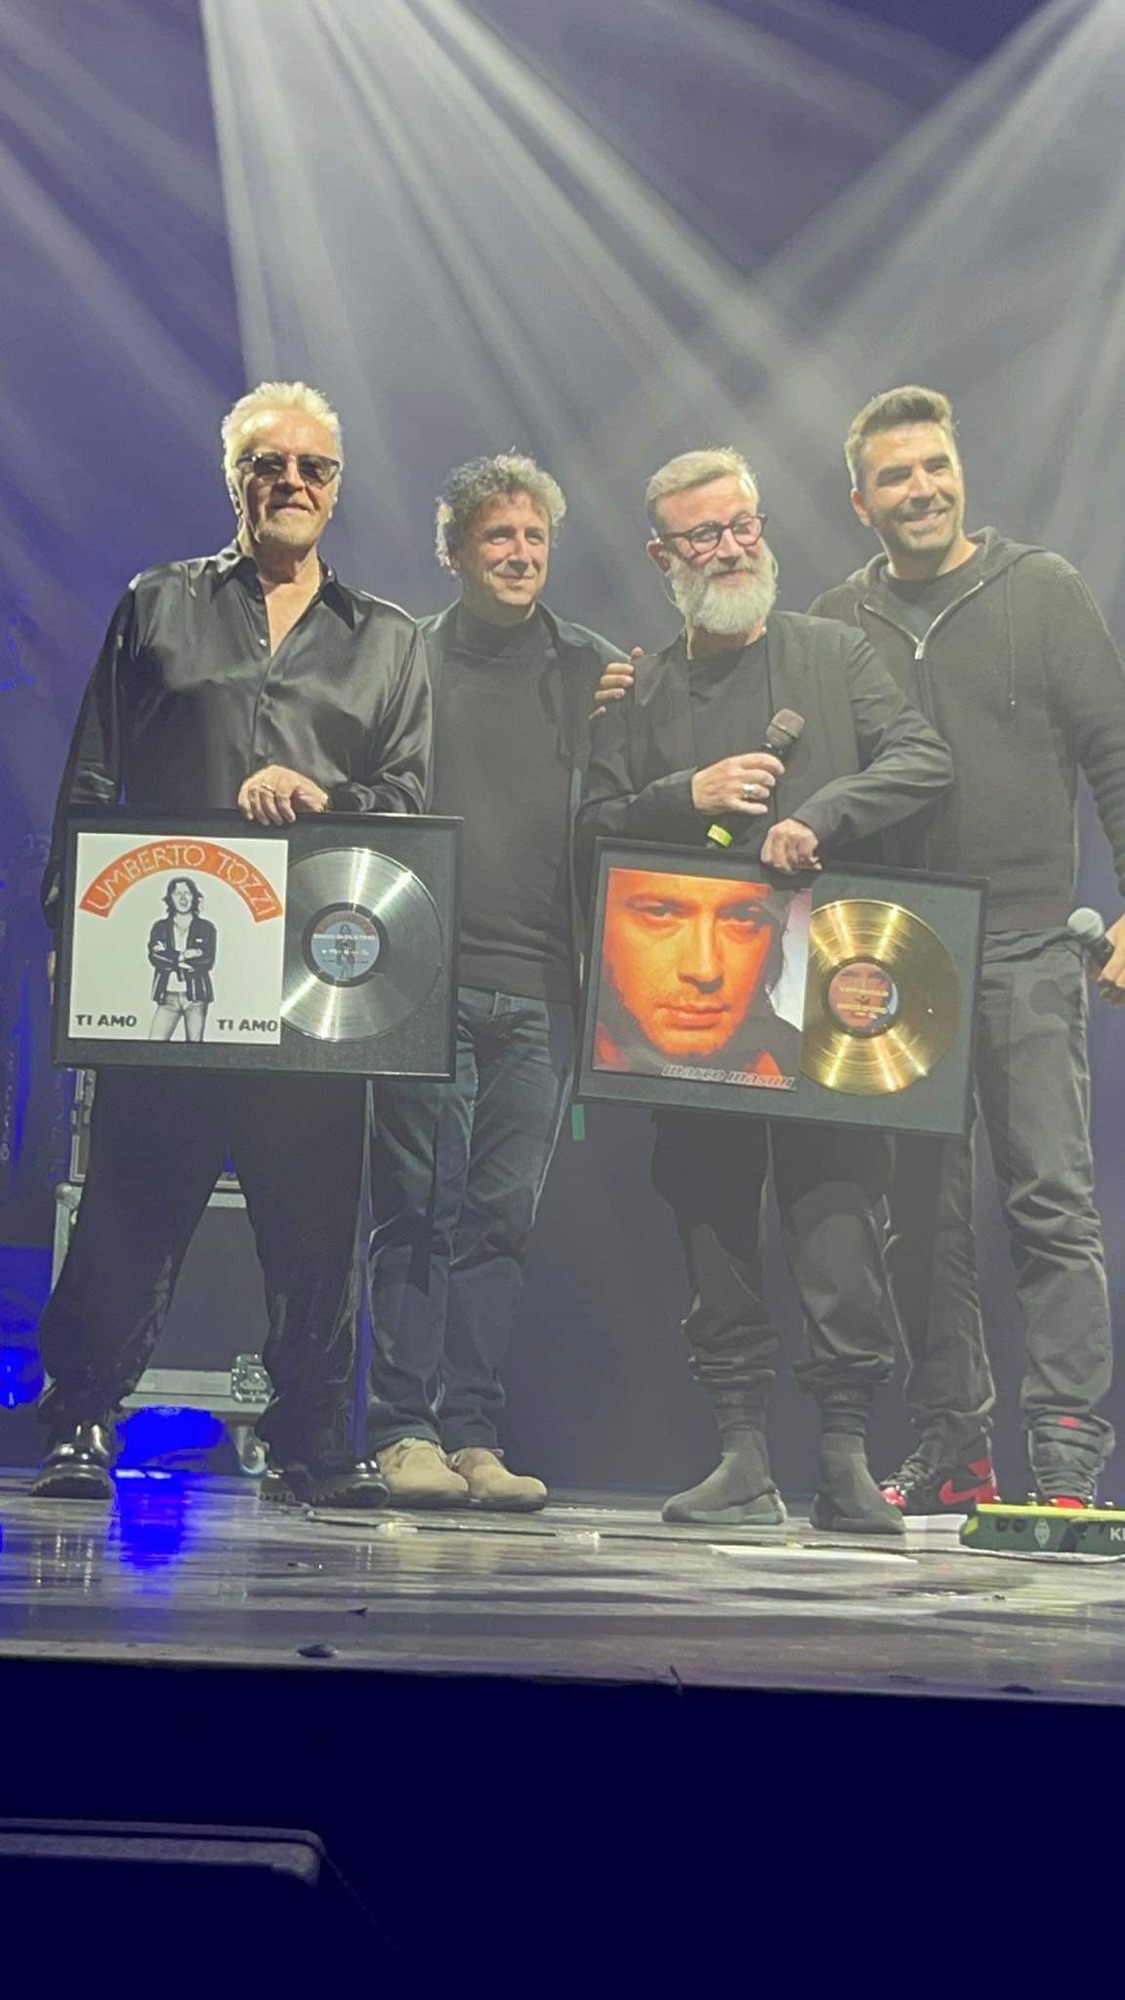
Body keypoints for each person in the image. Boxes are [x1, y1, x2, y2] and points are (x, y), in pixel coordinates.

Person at [34, 379, 431, 1505]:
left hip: (316, 977)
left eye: (313, 467)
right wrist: (70, 924)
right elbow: (94, 772)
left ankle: (311, 1438)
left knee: (313, 1217)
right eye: (269, 463)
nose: (291, 482)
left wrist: (326, 794)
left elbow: (411, 795)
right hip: (167, 968)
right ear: (236, 480)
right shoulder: (156, 603)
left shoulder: (388, 637)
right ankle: (82, 1418)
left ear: (336, 489)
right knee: (130, 1195)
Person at [579, 446, 952, 1532]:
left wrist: (820, 814)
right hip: (690, 998)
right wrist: (684, 793)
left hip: (830, 985)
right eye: (705, 533)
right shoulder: (640, 689)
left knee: (839, 1212)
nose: (733, 546)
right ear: (663, 556)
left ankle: (844, 1456)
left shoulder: (833, 652)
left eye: (744, 523)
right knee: (708, 1209)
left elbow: (923, 758)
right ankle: (741, 1457)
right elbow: (593, 825)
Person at [807, 383, 1125, 1511]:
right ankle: (953, 1447)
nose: (921, 489)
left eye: (934, 466)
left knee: (1050, 1198)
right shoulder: (836, 618)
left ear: (961, 473)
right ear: (861, 502)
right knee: (918, 1223)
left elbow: (1114, 749)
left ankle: (1069, 1457)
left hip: (1030, 939)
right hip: (895, 956)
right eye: (894, 475)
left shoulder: (1040, 588)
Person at [366, 454, 624, 1512]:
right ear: (455, 551)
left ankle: (472, 1430)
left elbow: (623, 806)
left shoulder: (592, 667)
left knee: (500, 1218)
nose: (519, 555)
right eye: (497, 537)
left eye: (534, 538)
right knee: (416, 1208)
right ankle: (401, 1426)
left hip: (545, 987)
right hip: (427, 976)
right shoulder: (408, 658)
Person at [595, 866, 802, 1081]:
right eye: (659, 913)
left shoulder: (803, 1067)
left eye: (741, 917)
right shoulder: (576, 1052)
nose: (706, 970)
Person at [148, 877, 216, 1043]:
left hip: (196, 997)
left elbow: (207, 960)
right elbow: (156, 957)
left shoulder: (206, 928)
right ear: (170, 898)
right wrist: (183, 956)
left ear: (194, 897)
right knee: (154, 1044)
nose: (183, 898)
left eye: (187, 893)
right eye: (178, 894)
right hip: (167, 996)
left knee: (194, 1047)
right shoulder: (160, 927)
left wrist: (170, 955)